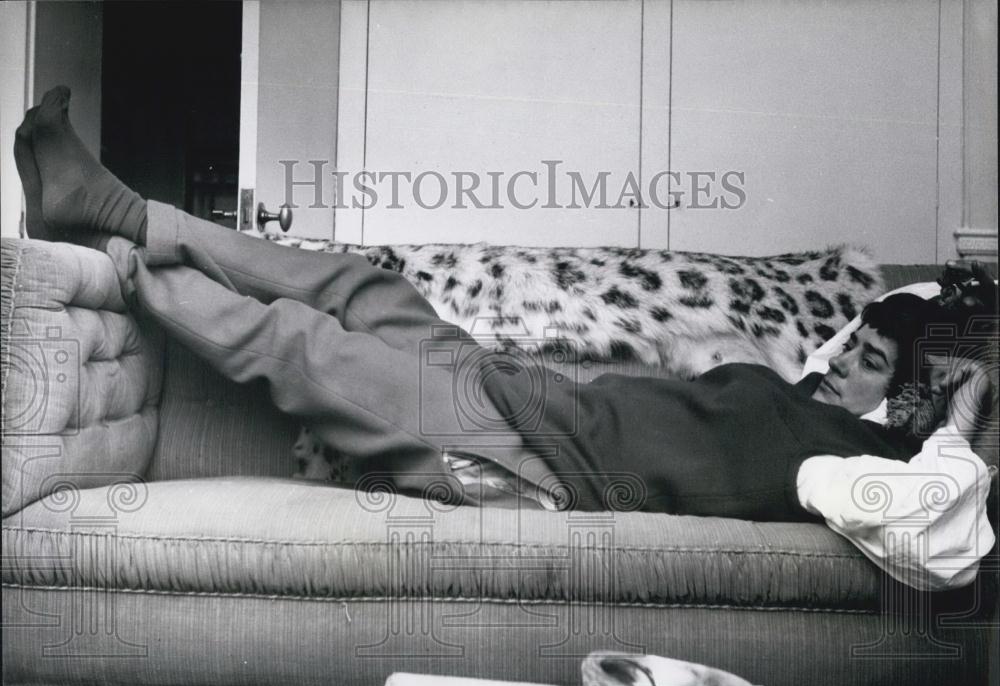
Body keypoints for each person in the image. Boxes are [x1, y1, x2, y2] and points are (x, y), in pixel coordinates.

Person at [12, 86, 996, 591]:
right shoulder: (793, 398)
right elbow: (749, 364)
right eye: (849, 332)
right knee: (357, 284)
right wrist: (831, 343)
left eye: (866, 354)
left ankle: (114, 247)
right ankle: (115, 209)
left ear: (899, 402)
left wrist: (949, 426)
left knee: (304, 346)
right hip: (507, 387)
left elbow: (937, 536)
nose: (836, 347)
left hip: (522, 455)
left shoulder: (853, 462)